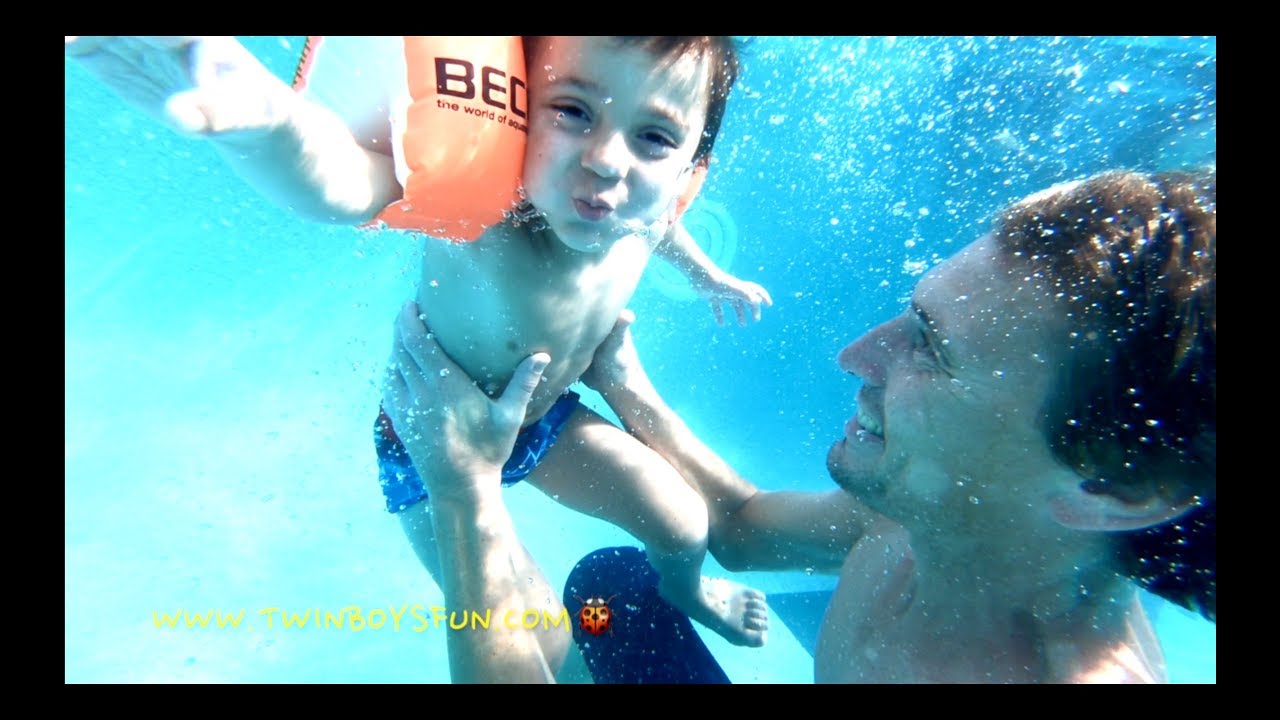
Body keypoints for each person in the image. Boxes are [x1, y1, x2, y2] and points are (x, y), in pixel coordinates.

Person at [65, 35, 773, 659]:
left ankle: (686, 592)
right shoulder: (487, 204)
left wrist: (708, 276)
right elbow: (345, 186)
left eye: (654, 138)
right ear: (519, 104)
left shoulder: (639, 211)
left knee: (686, 527)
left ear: (689, 166)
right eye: (572, 111)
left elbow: (665, 227)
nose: (606, 162)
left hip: (543, 423)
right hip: (430, 441)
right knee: (529, 628)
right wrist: (269, 125)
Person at [386, 167, 1215, 682]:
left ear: (1111, 491)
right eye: (911, 315)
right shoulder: (920, 521)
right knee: (611, 588)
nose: (858, 356)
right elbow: (742, 528)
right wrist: (624, 383)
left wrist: (462, 492)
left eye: (932, 350)